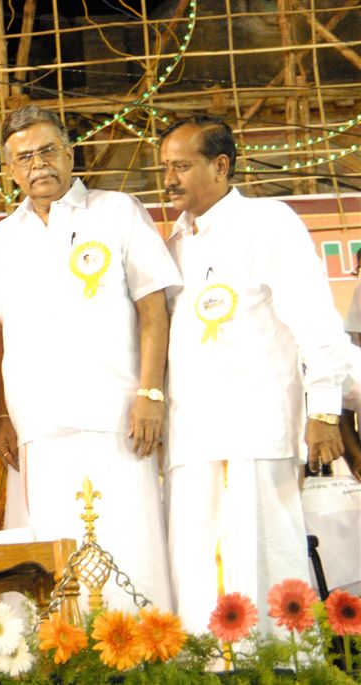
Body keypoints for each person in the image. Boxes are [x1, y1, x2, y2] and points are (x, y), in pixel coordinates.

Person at [160, 116, 354, 633]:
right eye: (165, 167)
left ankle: (281, 669)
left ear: (221, 166)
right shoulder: (174, 243)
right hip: (192, 442)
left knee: (263, 572)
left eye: (182, 166)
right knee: (200, 577)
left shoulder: (268, 223)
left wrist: (325, 414)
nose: (169, 179)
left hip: (253, 433)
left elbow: (317, 326)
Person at [0, 105, 179, 612]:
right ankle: (65, 656)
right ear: (10, 169)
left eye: (48, 150)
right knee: (54, 558)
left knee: (130, 550)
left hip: (116, 420)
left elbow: (153, 306)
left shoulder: (116, 210)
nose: (38, 164)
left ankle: (147, 657)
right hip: (38, 432)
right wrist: (4, 415)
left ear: (70, 153)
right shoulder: (5, 236)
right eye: (24, 157)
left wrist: (150, 393)